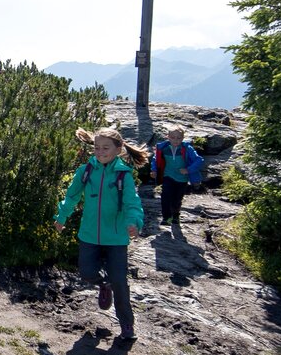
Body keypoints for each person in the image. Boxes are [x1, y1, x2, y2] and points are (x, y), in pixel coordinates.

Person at [53, 127, 148, 341]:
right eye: (97, 147)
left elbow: (132, 203)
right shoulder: (86, 171)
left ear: (118, 149)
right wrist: (61, 217)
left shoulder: (124, 175)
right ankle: (104, 284)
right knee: (87, 273)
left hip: (116, 237)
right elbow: (72, 196)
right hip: (89, 234)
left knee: (119, 281)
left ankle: (127, 325)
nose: (100, 152)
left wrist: (134, 223)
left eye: (105, 148)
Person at [150, 124, 204, 226]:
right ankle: (166, 218)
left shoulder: (187, 148)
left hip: (182, 178)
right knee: (165, 196)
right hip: (168, 175)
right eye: (173, 137)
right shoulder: (163, 148)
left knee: (177, 199)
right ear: (168, 137)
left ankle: (175, 216)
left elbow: (199, 160)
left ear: (183, 138)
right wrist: (154, 170)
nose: (175, 140)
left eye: (179, 138)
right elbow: (155, 159)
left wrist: (188, 170)